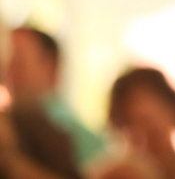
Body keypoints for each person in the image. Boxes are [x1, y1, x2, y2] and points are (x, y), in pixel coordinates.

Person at [93, 66, 175, 179]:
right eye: (131, 127)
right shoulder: (115, 175)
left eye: (149, 122)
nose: (144, 137)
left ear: (174, 111)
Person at [1, 27, 104, 170]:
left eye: (18, 63)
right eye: (6, 64)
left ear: (50, 66)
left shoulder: (73, 134)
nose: (8, 74)